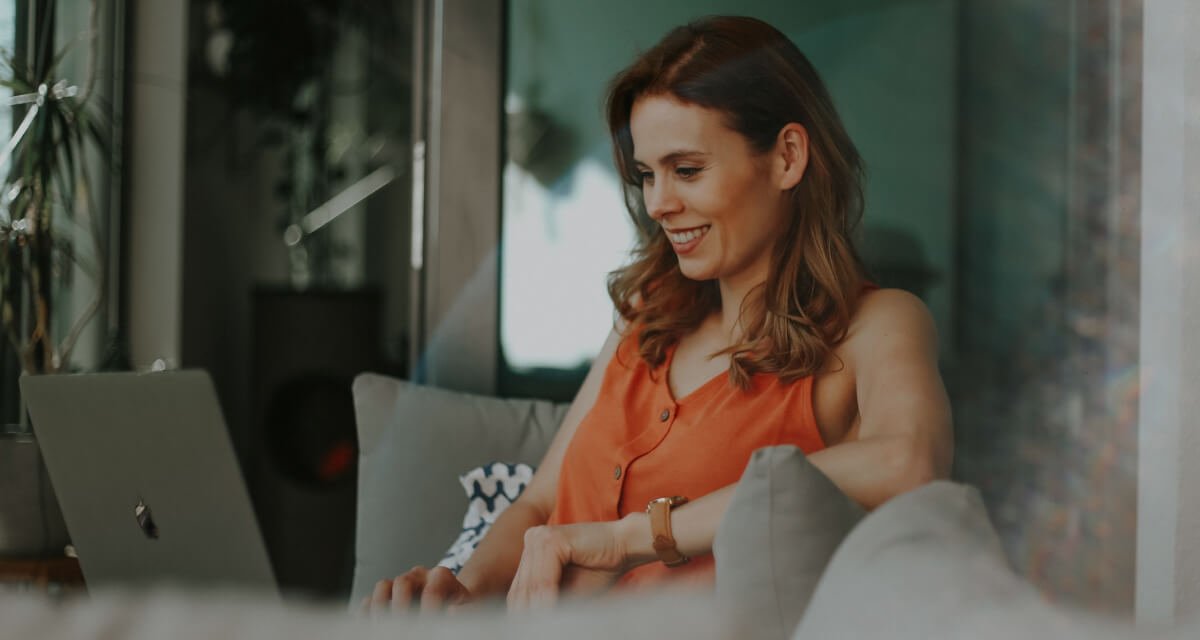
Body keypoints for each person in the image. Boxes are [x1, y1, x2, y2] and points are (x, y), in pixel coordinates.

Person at [364, 14, 952, 614]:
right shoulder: (647, 314)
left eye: (687, 170)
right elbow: (541, 504)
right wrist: (457, 595)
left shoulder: (876, 326)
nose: (659, 204)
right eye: (647, 175)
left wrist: (631, 539)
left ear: (787, 157)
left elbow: (909, 463)